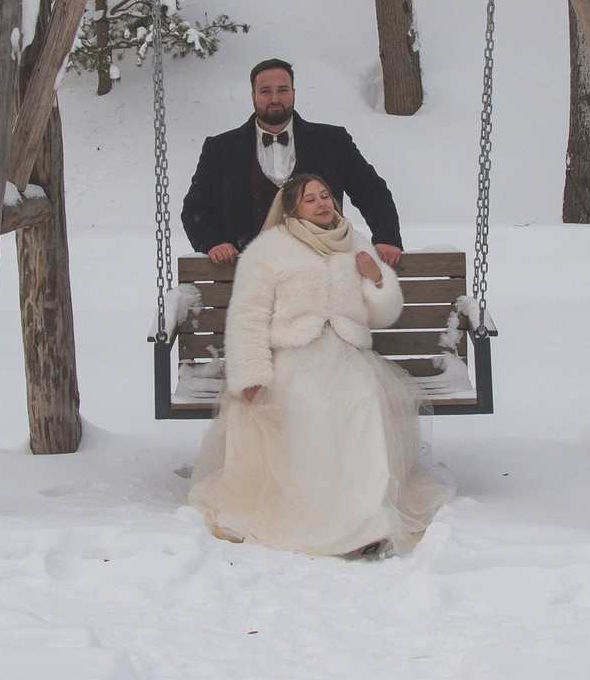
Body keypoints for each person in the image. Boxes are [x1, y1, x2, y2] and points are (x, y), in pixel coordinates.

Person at [189, 171, 450, 557]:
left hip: (346, 352)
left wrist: (377, 279)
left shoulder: (354, 242)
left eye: (325, 196)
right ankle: (313, 514)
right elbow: (248, 316)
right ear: (292, 210)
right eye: (310, 199)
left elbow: (382, 315)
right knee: (309, 406)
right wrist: (252, 375)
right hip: (293, 355)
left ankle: (367, 518)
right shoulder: (269, 249)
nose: (321, 204)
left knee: (362, 402)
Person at [182, 58, 403, 269]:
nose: (275, 98)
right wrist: (213, 243)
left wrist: (387, 237)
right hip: (246, 273)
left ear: (293, 93)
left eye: (282, 90)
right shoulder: (220, 149)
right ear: (253, 96)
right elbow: (195, 208)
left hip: (322, 271)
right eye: (265, 91)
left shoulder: (333, 142)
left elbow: (371, 192)